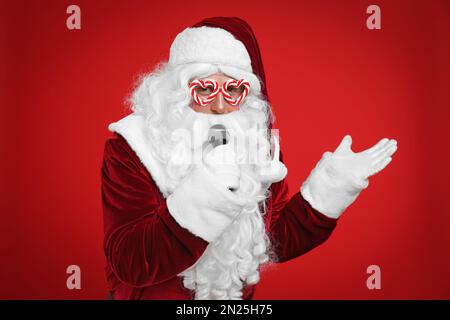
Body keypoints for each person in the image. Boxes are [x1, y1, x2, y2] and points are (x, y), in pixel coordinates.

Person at [101, 17, 397, 300]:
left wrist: (330, 189)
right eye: (204, 89)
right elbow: (131, 262)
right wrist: (208, 194)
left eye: (232, 90)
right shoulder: (133, 147)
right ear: (178, 91)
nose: (219, 106)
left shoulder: (255, 143)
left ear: (247, 94)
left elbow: (272, 241)